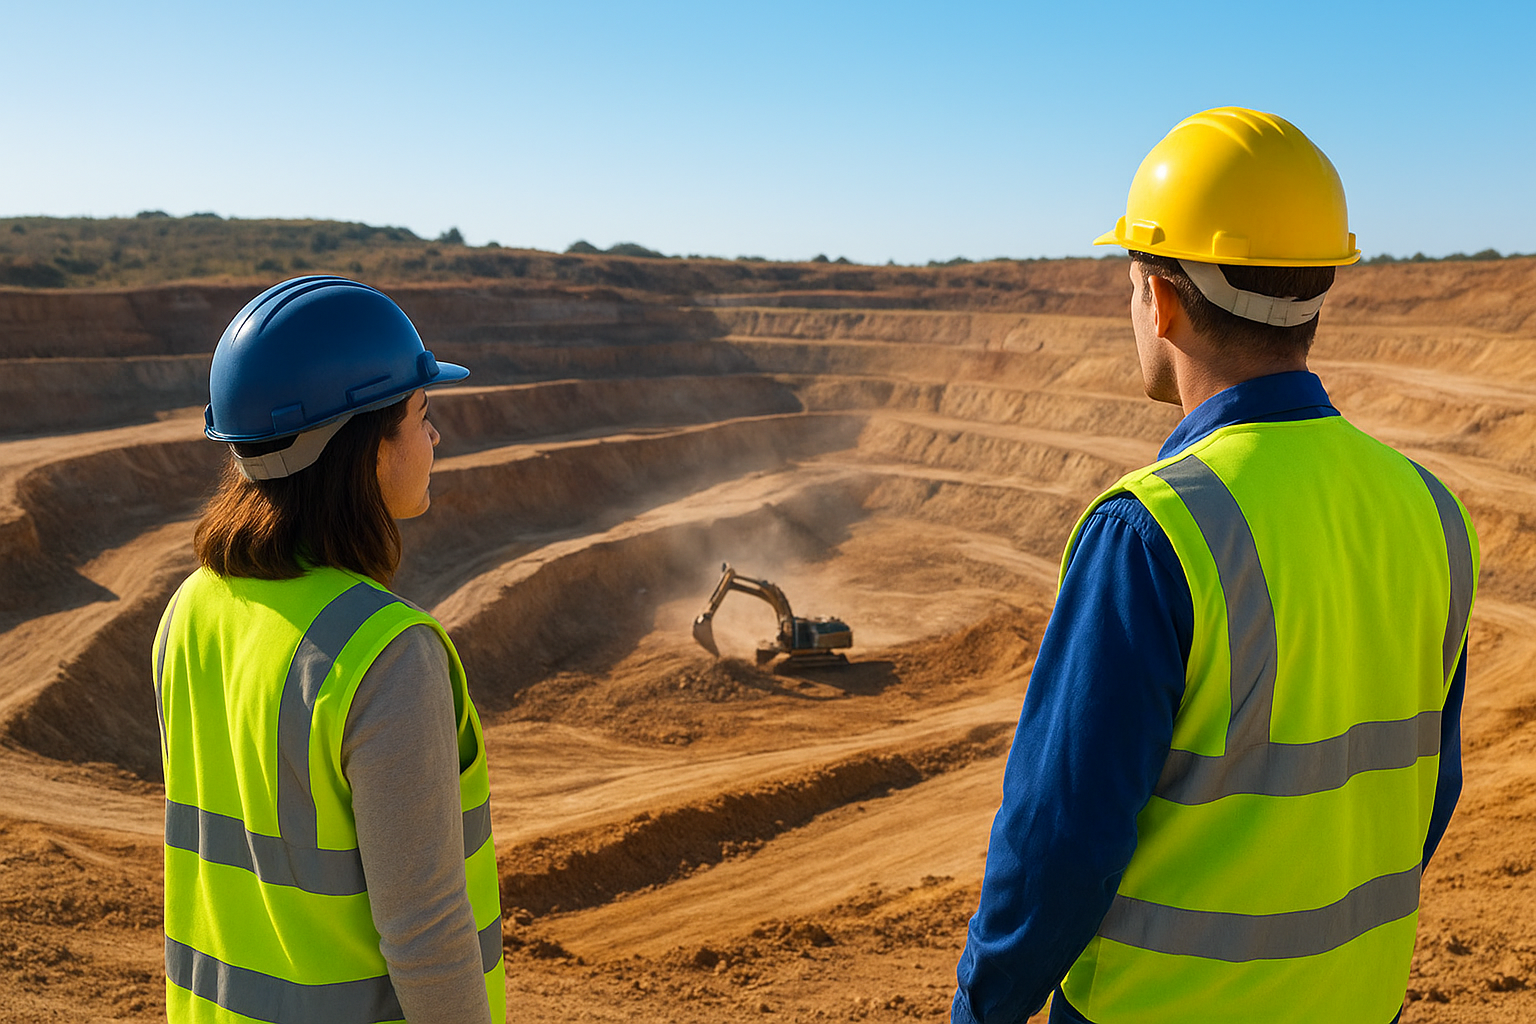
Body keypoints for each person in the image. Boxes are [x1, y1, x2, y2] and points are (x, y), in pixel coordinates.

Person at [951, 108, 1478, 1024]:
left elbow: (1058, 844)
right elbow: (1428, 793)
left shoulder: (1152, 533)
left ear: (1158, 297)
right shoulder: (1429, 511)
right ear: (1317, 290)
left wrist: (983, 1007)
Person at [152, 276, 506, 1024]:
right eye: (421, 414)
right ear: (365, 448)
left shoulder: (191, 609)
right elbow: (426, 931)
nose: (435, 437)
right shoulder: (385, 655)